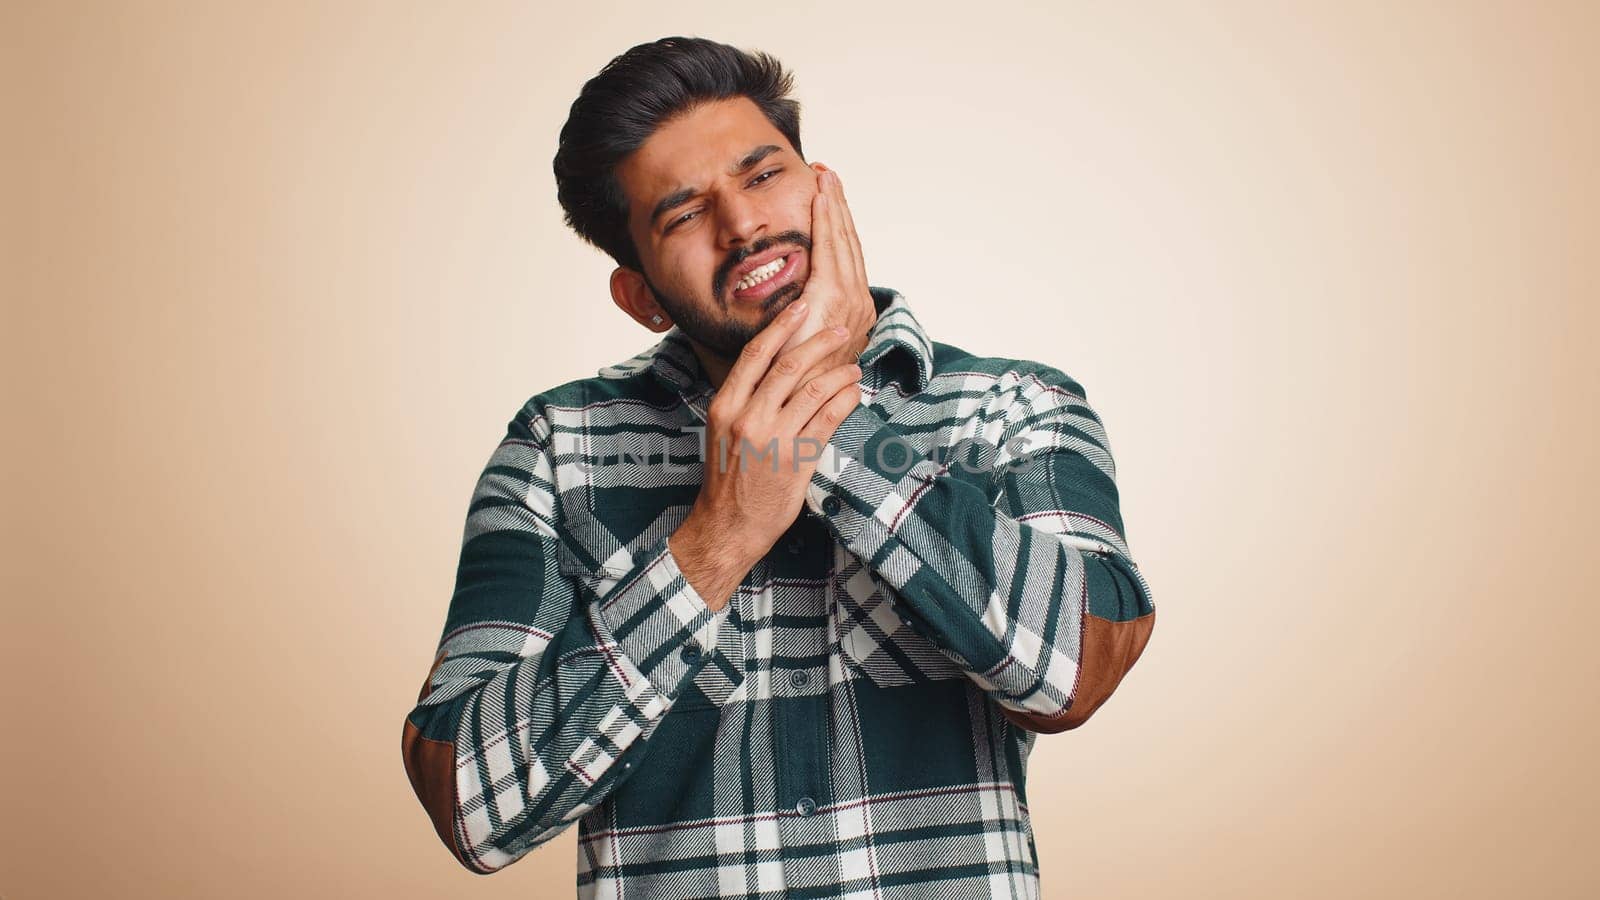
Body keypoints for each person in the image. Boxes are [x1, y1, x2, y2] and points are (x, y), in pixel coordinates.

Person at [400, 35, 1156, 898]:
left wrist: (826, 425)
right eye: (683, 215)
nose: (744, 224)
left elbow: (1077, 671)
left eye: (763, 177)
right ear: (642, 296)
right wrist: (713, 542)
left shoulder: (1011, 407)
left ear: (823, 189)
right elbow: (467, 800)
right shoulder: (558, 444)